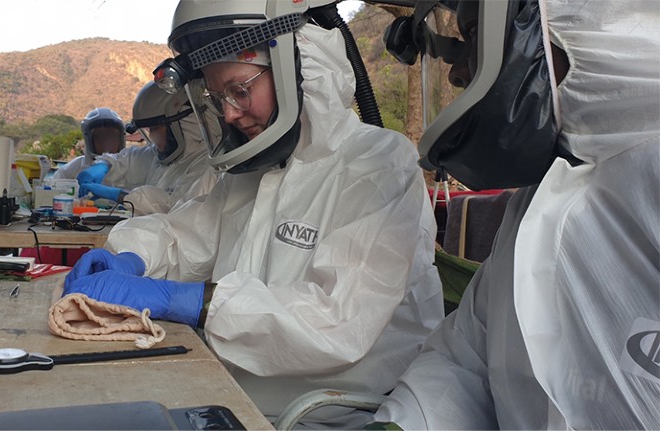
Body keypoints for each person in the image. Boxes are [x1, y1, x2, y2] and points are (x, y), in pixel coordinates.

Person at [63, 1, 445, 427]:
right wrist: (130, 255)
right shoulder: (256, 171)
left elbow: (335, 322)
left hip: (324, 416)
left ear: (294, 64)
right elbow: (186, 237)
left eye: (239, 90)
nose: (228, 113)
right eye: (216, 97)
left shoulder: (377, 163)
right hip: (232, 392)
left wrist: (190, 302)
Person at [370, 0, 659, 428]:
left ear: (573, 23)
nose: (456, 71)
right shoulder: (536, 201)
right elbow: (464, 359)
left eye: (475, 39)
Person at [74, 81, 218, 216]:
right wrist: (103, 165)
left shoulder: (209, 166)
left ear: (182, 124)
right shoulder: (163, 156)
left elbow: (176, 209)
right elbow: (127, 160)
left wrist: (123, 196)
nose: (153, 136)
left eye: (155, 129)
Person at [53, 107, 125, 179]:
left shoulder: (130, 170)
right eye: (100, 136)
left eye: (112, 135)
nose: (107, 141)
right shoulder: (69, 172)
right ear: (89, 140)